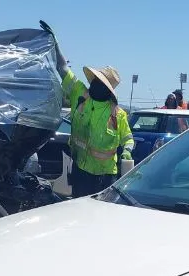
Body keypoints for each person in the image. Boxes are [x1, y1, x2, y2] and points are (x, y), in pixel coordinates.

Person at [42, 22, 134, 197]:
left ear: (108, 90)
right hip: (80, 171)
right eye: (96, 80)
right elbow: (62, 69)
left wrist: (128, 150)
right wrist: (55, 43)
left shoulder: (117, 114)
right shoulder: (80, 93)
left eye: (100, 82)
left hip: (106, 177)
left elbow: (128, 138)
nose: (95, 84)